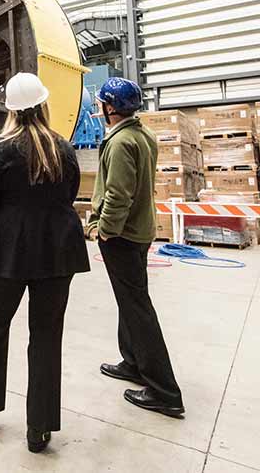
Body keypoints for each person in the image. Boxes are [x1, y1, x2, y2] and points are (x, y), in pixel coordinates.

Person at [0, 72, 90, 453]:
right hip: (58, 251)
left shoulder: (1, 148)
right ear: (42, 105)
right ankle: (39, 429)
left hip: (11, 252)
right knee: (46, 336)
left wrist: (10, 227)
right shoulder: (62, 146)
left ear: (11, 110)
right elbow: (70, 193)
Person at [85, 77, 184, 418]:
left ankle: (164, 390)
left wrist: (105, 230)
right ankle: (133, 362)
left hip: (123, 237)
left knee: (138, 308)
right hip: (138, 232)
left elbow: (118, 194)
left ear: (110, 108)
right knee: (129, 301)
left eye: (101, 102)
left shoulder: (120, 142)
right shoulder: (142, 135)